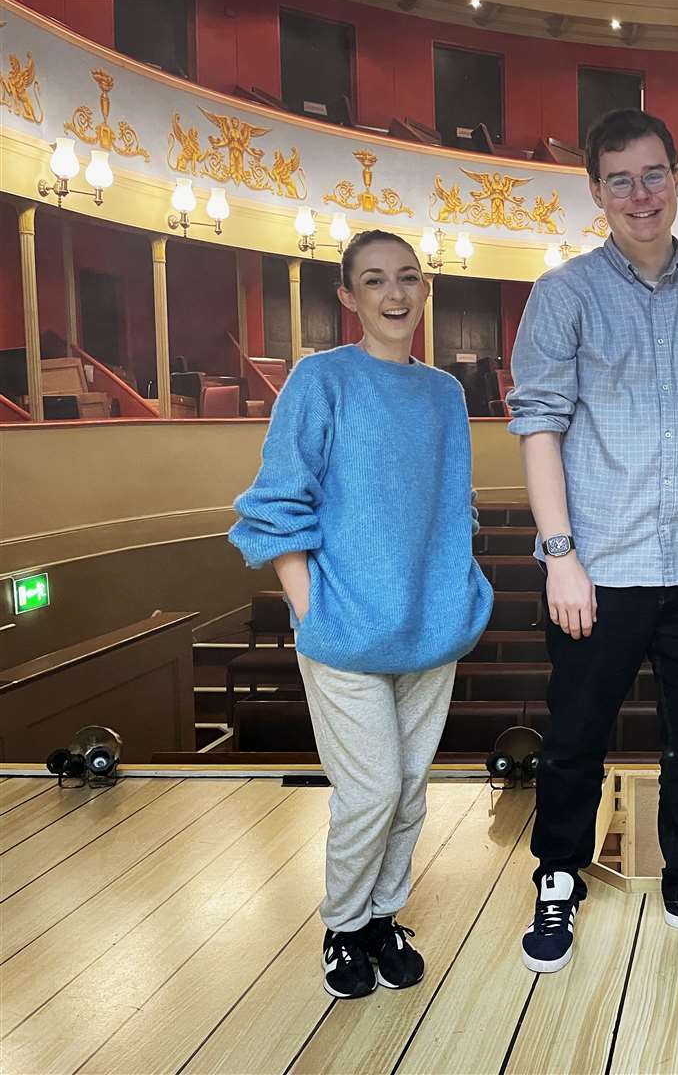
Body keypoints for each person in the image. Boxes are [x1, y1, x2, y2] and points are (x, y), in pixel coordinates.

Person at [506, 108, 678, 974]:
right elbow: (539, 426)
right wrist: (560, 556)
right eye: (619, 179)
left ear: (677, 179)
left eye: (653, 174)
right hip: (599, 568)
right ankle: (558, 875)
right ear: (595, 191)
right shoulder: (564, 295)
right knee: (576, 736)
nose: (639, 194)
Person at [229, 230, 494, 1000]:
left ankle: (383, 917)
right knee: (371, 791)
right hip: (343, 628)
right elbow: (277, 504)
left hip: (430, 626)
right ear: (348, 297)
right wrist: (311, 612)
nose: (394, 293)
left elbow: (450, 508)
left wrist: (460, 591)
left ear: (425, 288)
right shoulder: (320, 380)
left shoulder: (443, 392)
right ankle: (343, 928)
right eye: (374, 280)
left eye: (408, 278)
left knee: (409, 790)